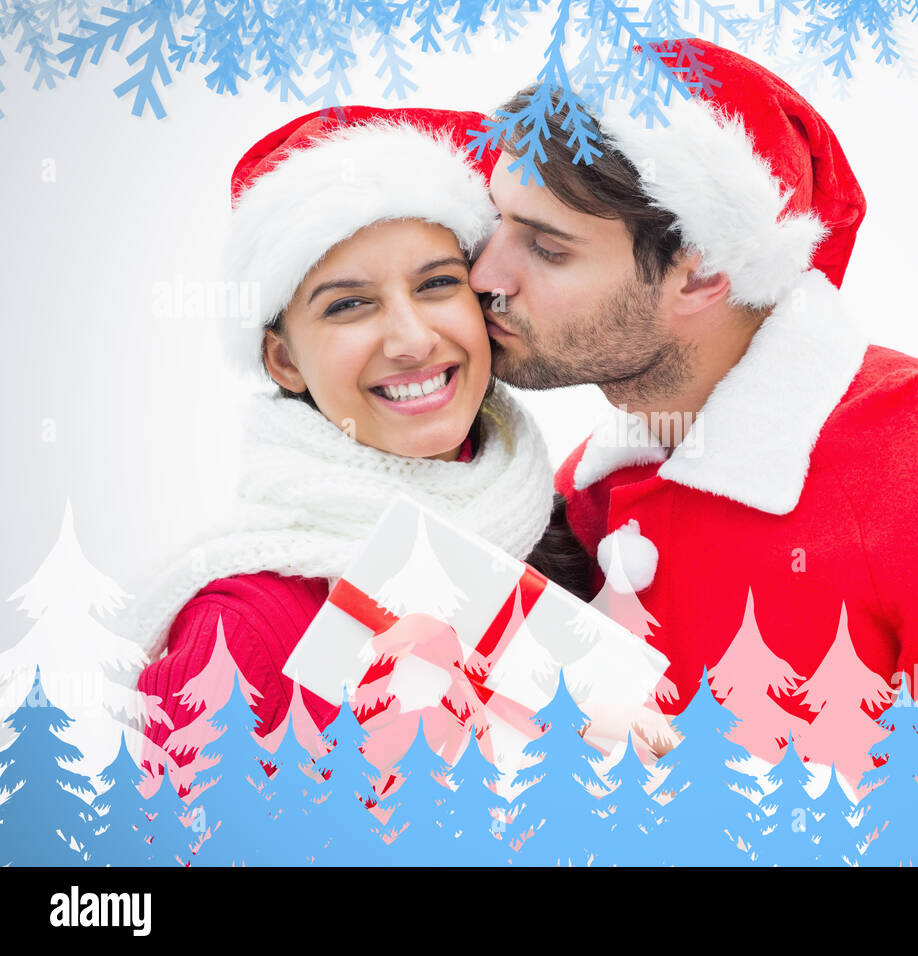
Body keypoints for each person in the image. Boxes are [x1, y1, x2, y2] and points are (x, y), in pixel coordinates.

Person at [468, 38, 918, 798]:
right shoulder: (584, 493)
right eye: (497, 223)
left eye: (545, 247)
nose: (485, 277)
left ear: (703, 272)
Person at [127, 106, 593, 794]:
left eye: (437, 284)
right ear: (284, 361)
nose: (409, 339)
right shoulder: (240, 626)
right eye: (348, 305)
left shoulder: (570, 526)